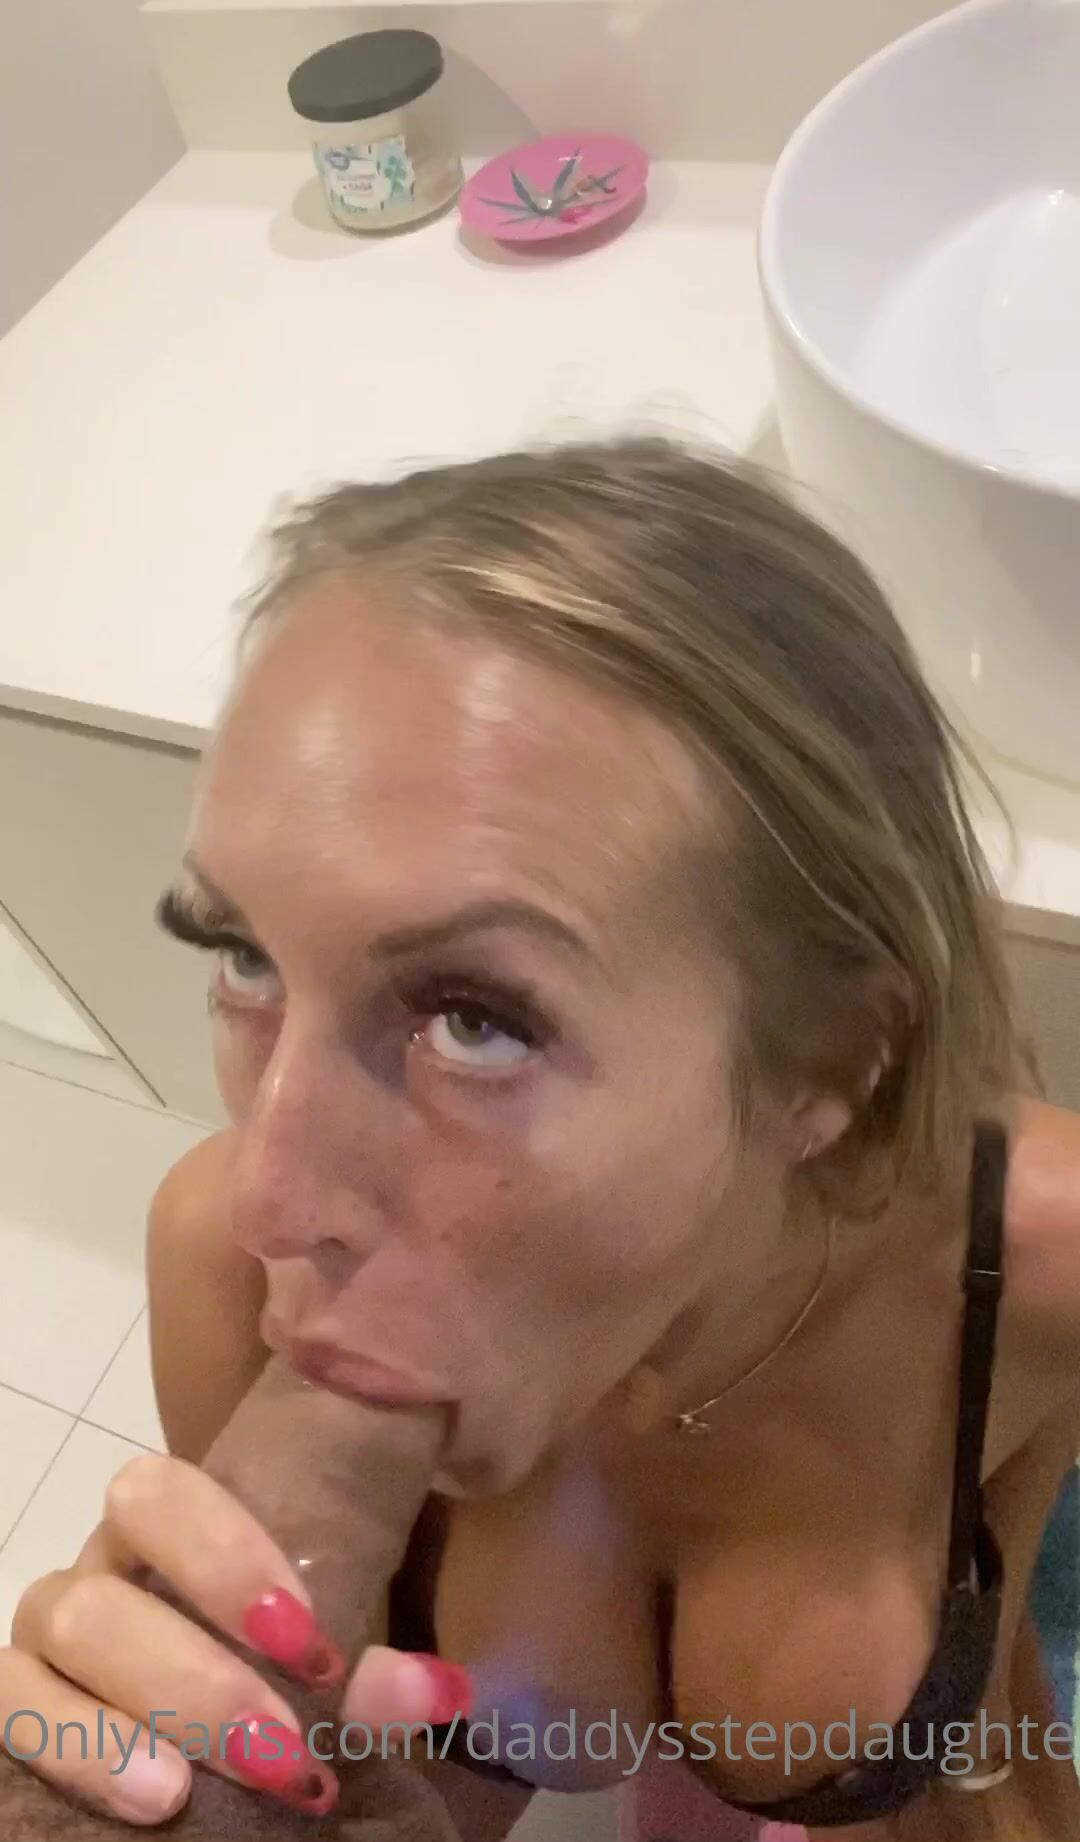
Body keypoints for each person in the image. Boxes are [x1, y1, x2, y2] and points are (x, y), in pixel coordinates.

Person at [2, 437, 1079, 1842]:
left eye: (475, 1020)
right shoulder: (217, 1267)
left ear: (828, 1061)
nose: (269, 1193)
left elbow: (984, 1723)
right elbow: (394, 1756)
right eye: (242, 951)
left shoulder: (1032, 1262)